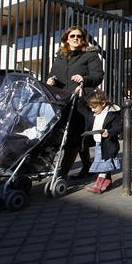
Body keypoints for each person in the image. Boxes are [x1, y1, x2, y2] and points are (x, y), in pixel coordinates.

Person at [46, 26, 104, 180]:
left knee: (74, 136)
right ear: (66, 39)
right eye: (72, 36)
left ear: (83, 39)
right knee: (71, 136)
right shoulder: (60, 57)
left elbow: (98, 76)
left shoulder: (90, 55)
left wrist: (84, 80)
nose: (76, 38)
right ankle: (87, 165)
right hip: (63, 101)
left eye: (79, 36)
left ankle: (62, 172)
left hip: (81, 100)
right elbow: (54, 73)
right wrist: (51, 79)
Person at [76, 88, 122, 194]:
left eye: (95, 107)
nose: (93, 110)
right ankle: (108, 181)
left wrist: (109, 133)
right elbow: (81, 108)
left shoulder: (112, 113)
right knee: (105, 163)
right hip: (98, 143)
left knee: (103, 164)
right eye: (91, 107)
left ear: (103, 103)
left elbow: (118, 126)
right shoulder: (93, 114)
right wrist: (80, 96)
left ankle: (98, 185)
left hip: (108, 144)